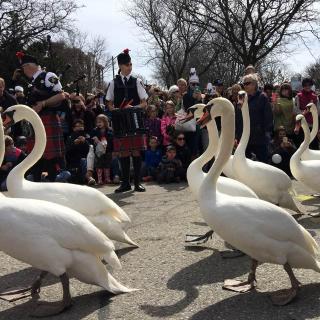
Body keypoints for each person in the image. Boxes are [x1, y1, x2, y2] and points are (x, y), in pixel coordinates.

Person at [16, 51, 66, 181]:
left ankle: (52, 181)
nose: (23, 70)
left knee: (50, 157)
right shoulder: (31, 82)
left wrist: (43, 103)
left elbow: (61, 95)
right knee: (36, 155)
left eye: (24, 67)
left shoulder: (49, 75)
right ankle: (37, 183)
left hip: (48, 119)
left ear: (30, 65)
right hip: (35, 121)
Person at [106, 49, 148, 192]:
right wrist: (114, 110)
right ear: (120, 66)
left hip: (135, 118)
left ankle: (137, 183)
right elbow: (109, 103)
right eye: (127, 65)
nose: (130, 67)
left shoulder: (137, 81)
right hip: (120, 121)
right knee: (123, 152)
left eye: (131, 64)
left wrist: (132, 107)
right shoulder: (113, 83)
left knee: (136, 151)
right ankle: (125, 184)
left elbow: (144, 103)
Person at [241, 74, 273, 163]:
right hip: (245, 138)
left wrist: (266, 132)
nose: (245, 85)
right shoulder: (243, 98)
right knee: (245, 163)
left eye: (247, 83)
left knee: (263, 163)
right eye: (244, 84)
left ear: (254, 84)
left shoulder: (262, 97)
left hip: (260, 138)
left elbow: (268, 117)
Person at [65, 119, 90, 184]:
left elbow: (90, 149)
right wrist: (74, 144)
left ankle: (87, 178)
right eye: (78, 126)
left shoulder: (87, 135)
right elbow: (67, 151)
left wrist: (85, 142)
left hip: (88, 157)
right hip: (75, 160)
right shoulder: (70, 137)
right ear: (73, 128)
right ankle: (85, 178)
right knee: (83, 161)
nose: (80, 128)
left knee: (85, 160)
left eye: (81, 126)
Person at [91, 114, 114, 185]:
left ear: (105, 122)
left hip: (108, 150)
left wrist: (113, 150)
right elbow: (91, 138)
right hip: (99, 151)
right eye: (97, 122)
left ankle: (107, 178)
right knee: (99, 164)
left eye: (100, 122)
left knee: (107, 164)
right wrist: (94, 139)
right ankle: (100, 179)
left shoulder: (110, 130)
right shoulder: (95, 130)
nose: (99, 124)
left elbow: (112, 140)